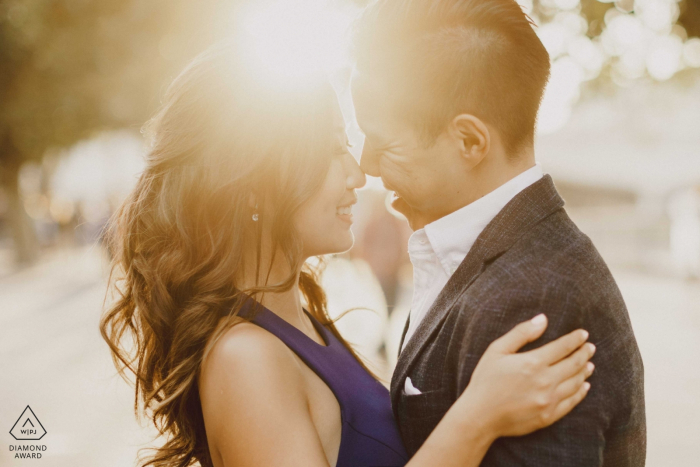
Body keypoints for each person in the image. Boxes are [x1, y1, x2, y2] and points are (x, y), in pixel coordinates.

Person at [99, 41, 594, 467]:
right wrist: (478, 417)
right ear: (253, 186)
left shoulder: (303, 321)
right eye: (333, 151)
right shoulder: (245, 357)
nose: (358, 175)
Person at [351, 0, 646, 465]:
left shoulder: (534, 299)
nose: (365, 164)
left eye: (384, 142)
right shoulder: (487, 256)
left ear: (469, 141)